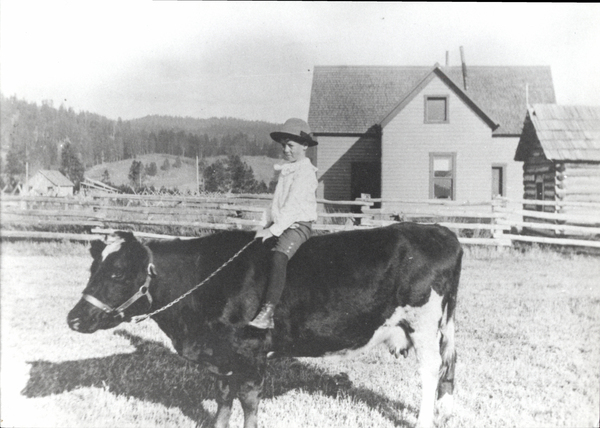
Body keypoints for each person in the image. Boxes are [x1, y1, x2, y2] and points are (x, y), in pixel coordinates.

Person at [248, 118, 318, 329]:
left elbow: (293, 207)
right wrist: (264, 225)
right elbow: (276, 204)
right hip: (282, 222)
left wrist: (274, 230)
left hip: (298, 225)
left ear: (304, 146)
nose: (286, 150)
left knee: (279, 257)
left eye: (291, 146)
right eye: (284, 146)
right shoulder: (287, 170)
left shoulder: (305, 173)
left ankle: (268, 312)